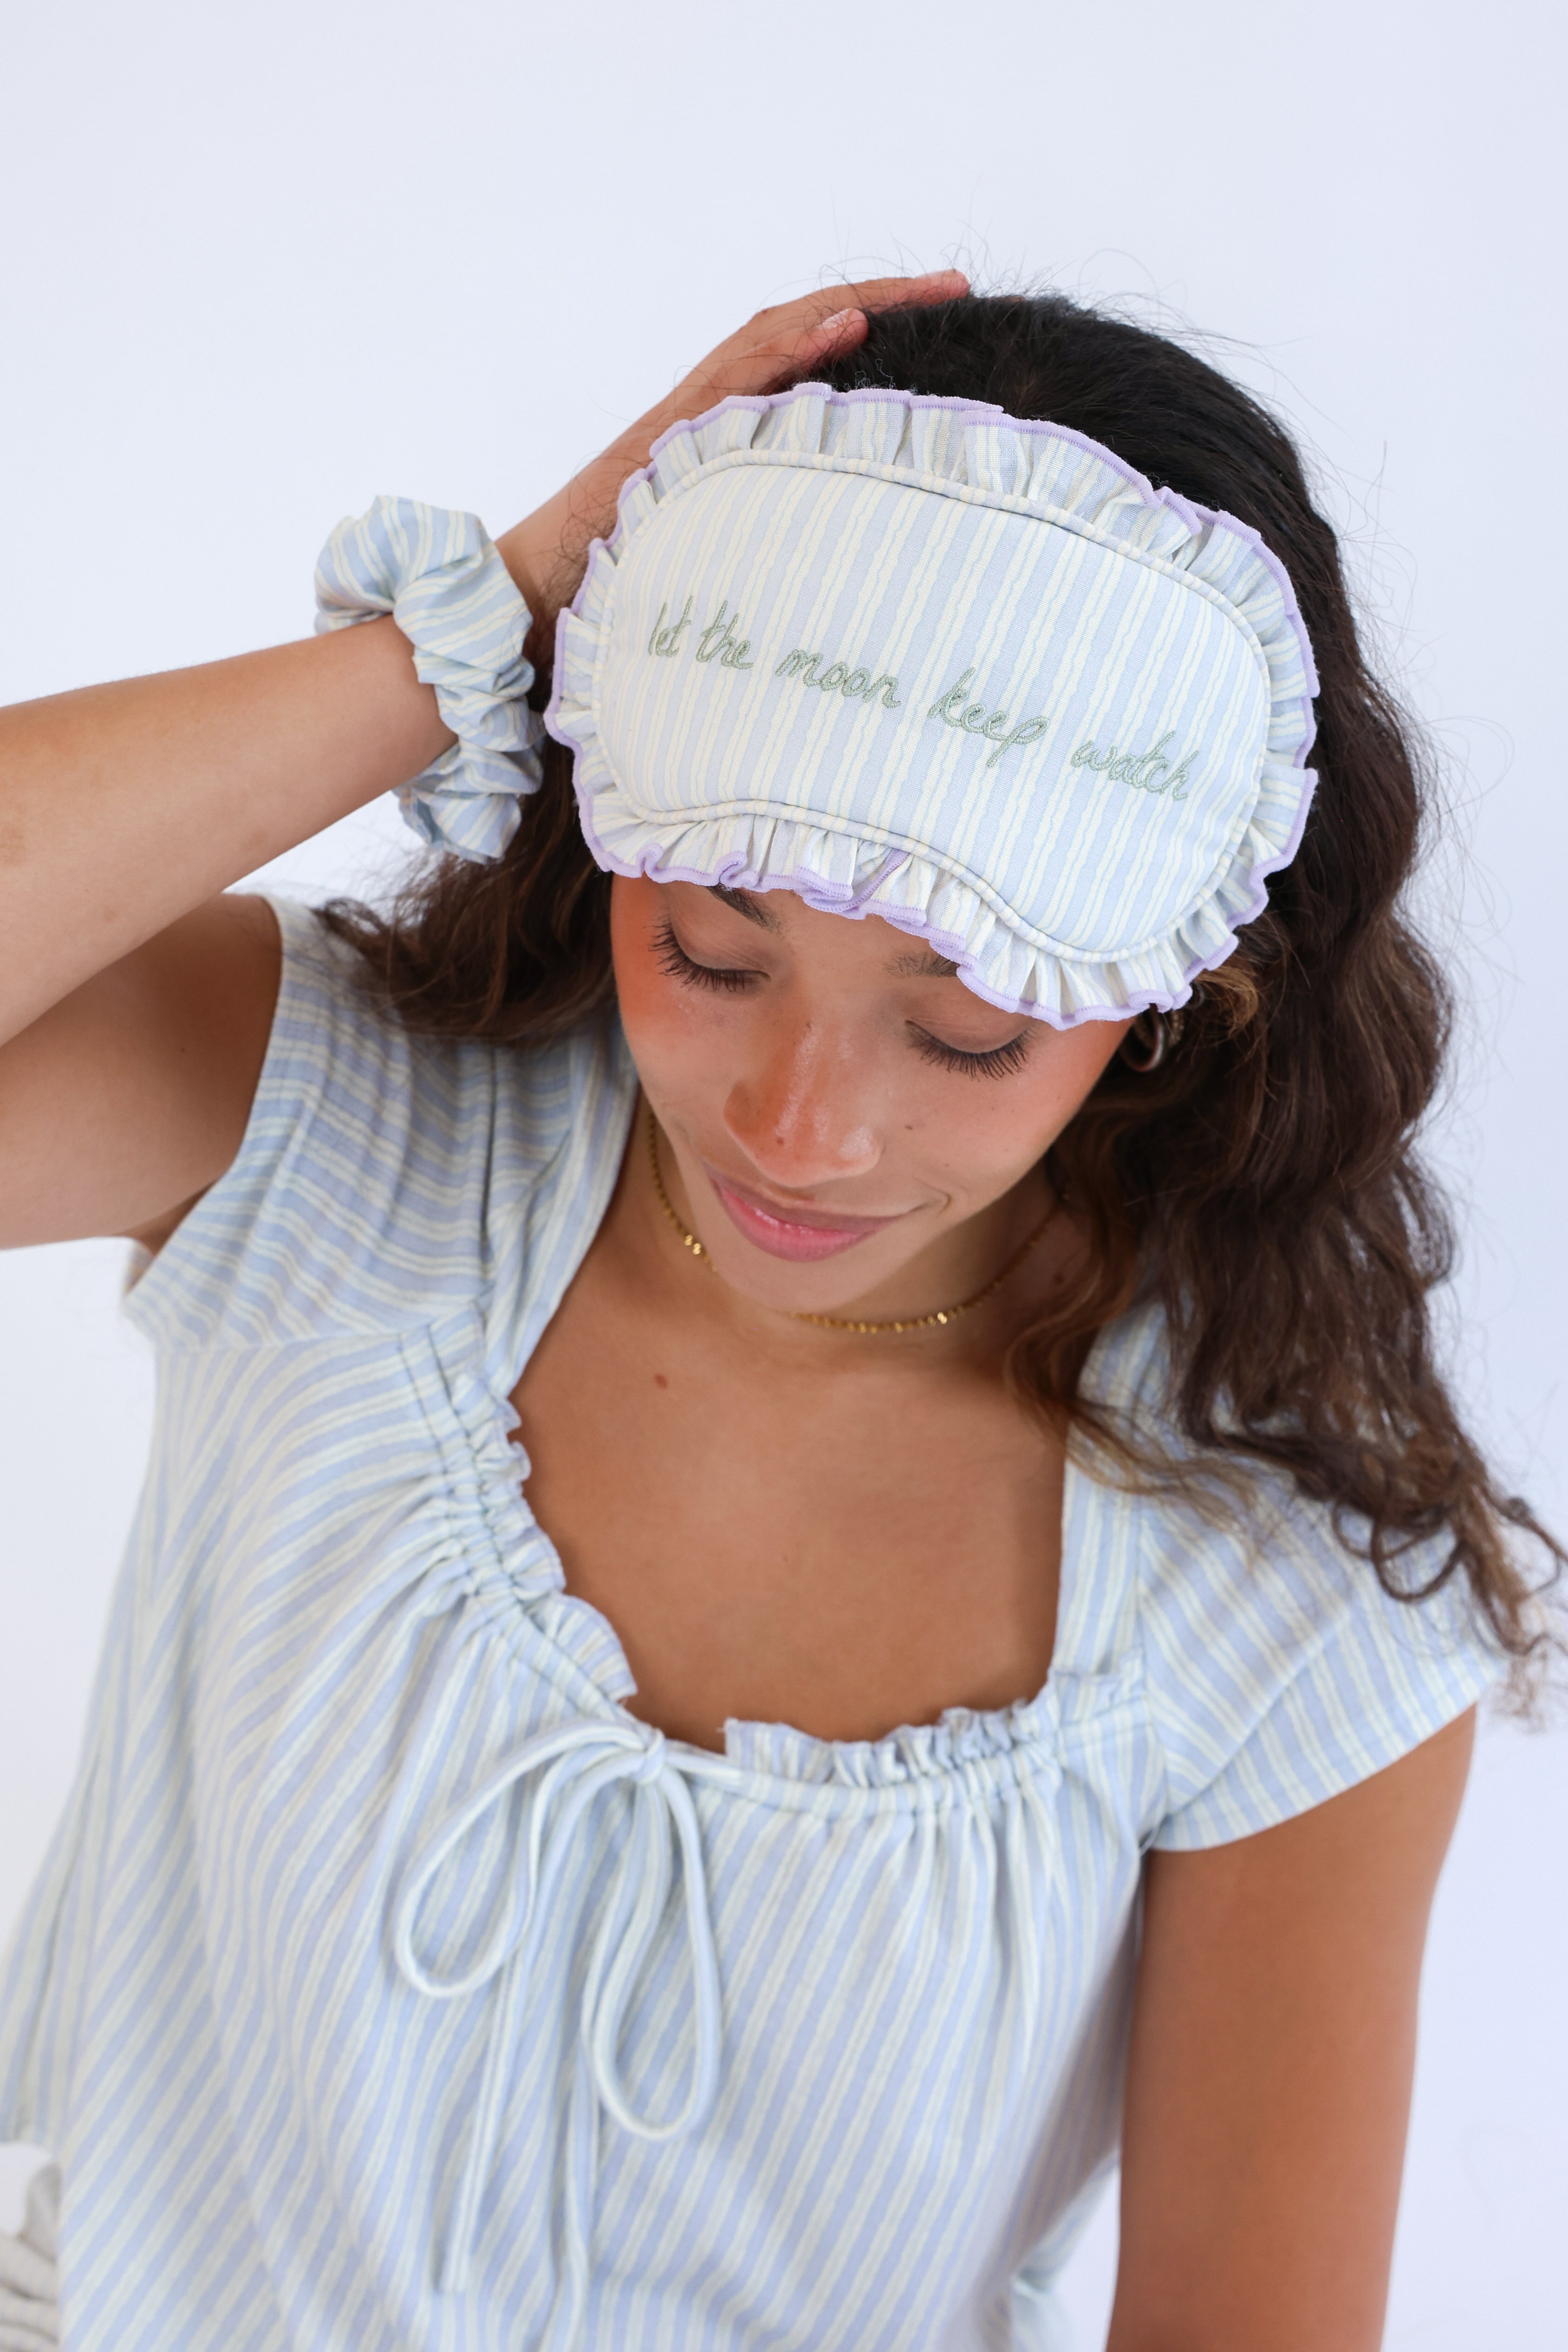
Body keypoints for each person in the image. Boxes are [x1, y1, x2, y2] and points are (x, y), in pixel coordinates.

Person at [0, 272, 1556, 2352]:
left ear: (1188, 989)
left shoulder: (1278, 1591)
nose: (805, 1134)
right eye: (714, 957)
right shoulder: (336, 1130)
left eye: (968, 1030)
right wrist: (474, 629)